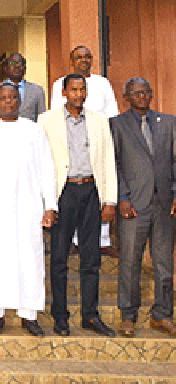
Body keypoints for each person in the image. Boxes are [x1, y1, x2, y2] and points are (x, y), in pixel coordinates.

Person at [0, 83, 57, 337]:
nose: (8, 102)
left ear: (19, 101)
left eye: (13, 98)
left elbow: (47, 169)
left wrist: (50, 206)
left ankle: (29, 315)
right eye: (3, 98)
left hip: (29, 208)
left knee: (30, 261)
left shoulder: (34, 130)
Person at [38, 74, 117, 337]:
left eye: (82, 89)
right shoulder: (46, 120)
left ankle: (90, 315)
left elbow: (108, 160)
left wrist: (109, 199)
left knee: (91, 259)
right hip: (63, 192)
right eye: (73, 89)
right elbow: (41, 163)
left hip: (91, 190)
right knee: (59, 258)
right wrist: (46, 202)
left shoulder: (99, 121)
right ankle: (60, 316)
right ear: (64, 92)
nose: (78, 94)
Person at [111, 77, 176, 337]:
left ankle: (162, 314)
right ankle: (128, 315)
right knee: (129, 262)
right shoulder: (117, 124)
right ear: (126, 97)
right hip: (133, 205)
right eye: (136, 93)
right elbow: (114, 164)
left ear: (151, 94)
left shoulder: (168, 122)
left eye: (145, 92)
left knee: (164, 263)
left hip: (164, 206)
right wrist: (122, 197)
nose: (142, 96)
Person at [51, 45, 119, 256]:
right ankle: (73, 241)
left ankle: (103, 241)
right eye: (79, 57)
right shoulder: (59, 84)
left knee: (99, 195)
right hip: (71, 146)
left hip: (98, 142)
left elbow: (112, 114)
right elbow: (56, 116)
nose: (84, 60)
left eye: (87, 57)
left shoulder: (102, 83)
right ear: (72, 61)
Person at [0, 53, 45, 122]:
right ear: (6, 68)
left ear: (25, 68)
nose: (17, 66)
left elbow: (42, 118)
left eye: (20, 63)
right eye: (12, 63)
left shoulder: (37, 91)